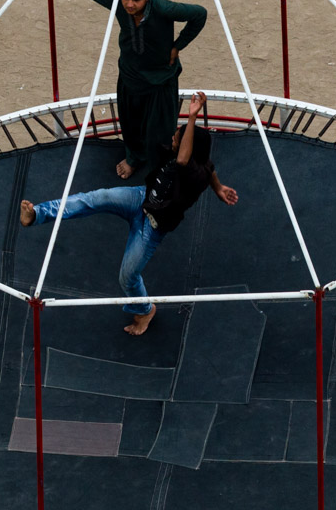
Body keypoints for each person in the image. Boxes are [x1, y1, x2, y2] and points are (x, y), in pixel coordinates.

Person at [20, 92, 238, 335]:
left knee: (128, 276)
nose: (173, 139)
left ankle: (145, 310)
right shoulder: (201, 164)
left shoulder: (192, 171)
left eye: (178, 138)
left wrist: (192, 117)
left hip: (152, 225)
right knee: (95, 198)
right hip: (140, 198)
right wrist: (219, 188)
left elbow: (187, 161)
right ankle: (37, 213)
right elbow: (210, 168)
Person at [45, 0, 207, 180]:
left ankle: (159, 168)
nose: (130, 4)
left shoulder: (164, 9)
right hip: (130, 77)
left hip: (160, 80)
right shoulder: (117, 3)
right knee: (130, 125)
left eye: (136, 0)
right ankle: (133, 158)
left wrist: (178, 45)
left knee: (160, 131)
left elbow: (200, 14)